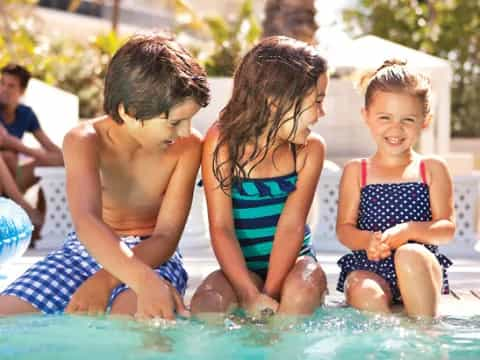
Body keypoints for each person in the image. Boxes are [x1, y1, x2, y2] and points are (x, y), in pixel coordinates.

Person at [0, 32, 210, 319]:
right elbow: (87, 221)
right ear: (128, 111)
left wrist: (114, 279)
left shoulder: (187, 146)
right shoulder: (84, 140)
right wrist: (112, 272)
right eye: (175, 121)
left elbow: (166, 236)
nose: (186, 131)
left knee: (132, 319)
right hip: (85, 250)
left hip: (153, 256)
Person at [191, 36, 328, 317]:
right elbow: (221, 228)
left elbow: (292, 227)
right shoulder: (222, 141)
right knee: (207, 305)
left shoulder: (308, 149)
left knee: (299, 293)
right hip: (240, 267)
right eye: (317, 101)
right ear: (276, 100)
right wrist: (248, 293)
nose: (321, 114)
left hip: (295, 264)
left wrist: (269, 295)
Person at [335, 60, 455, 318]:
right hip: (370, 266)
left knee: (410, 253)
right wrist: (368, 241)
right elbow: (344, 230)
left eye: (408, 120)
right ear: (366, 115)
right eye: (384, 118)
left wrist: (410, 231)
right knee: (364, 290)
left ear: (425, 120)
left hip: (420, 266)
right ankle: (386, 341)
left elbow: (446, 228)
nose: (395, 129)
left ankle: (424, 337)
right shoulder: (357, 171)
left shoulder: (431, 168)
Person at [0, 63, 63, 198]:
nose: (4, 89)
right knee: (7, 156)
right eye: (2, 83)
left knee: (56, 163)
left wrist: (18, 146)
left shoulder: (25, 114)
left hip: (14, 177)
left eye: (11, 86)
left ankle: (46, 214)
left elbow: (52, 149)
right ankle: (23, 207)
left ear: (22, 91)